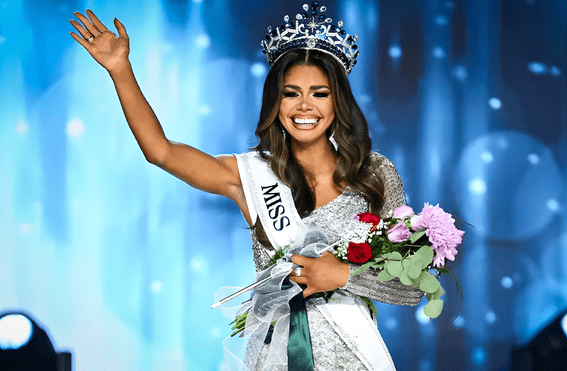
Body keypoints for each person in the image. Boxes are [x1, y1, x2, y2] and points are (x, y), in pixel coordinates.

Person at [70, 4, 423, 370]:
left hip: (356, 355)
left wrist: (343, 275)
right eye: (291, 93)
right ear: (276, 101)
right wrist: (120, 69)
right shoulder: (251, 175)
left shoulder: (375, 174)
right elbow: (160, 152)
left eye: (319, 93)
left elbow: (414, 286)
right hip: (277, 357)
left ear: (338, 101)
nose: (305, 105)